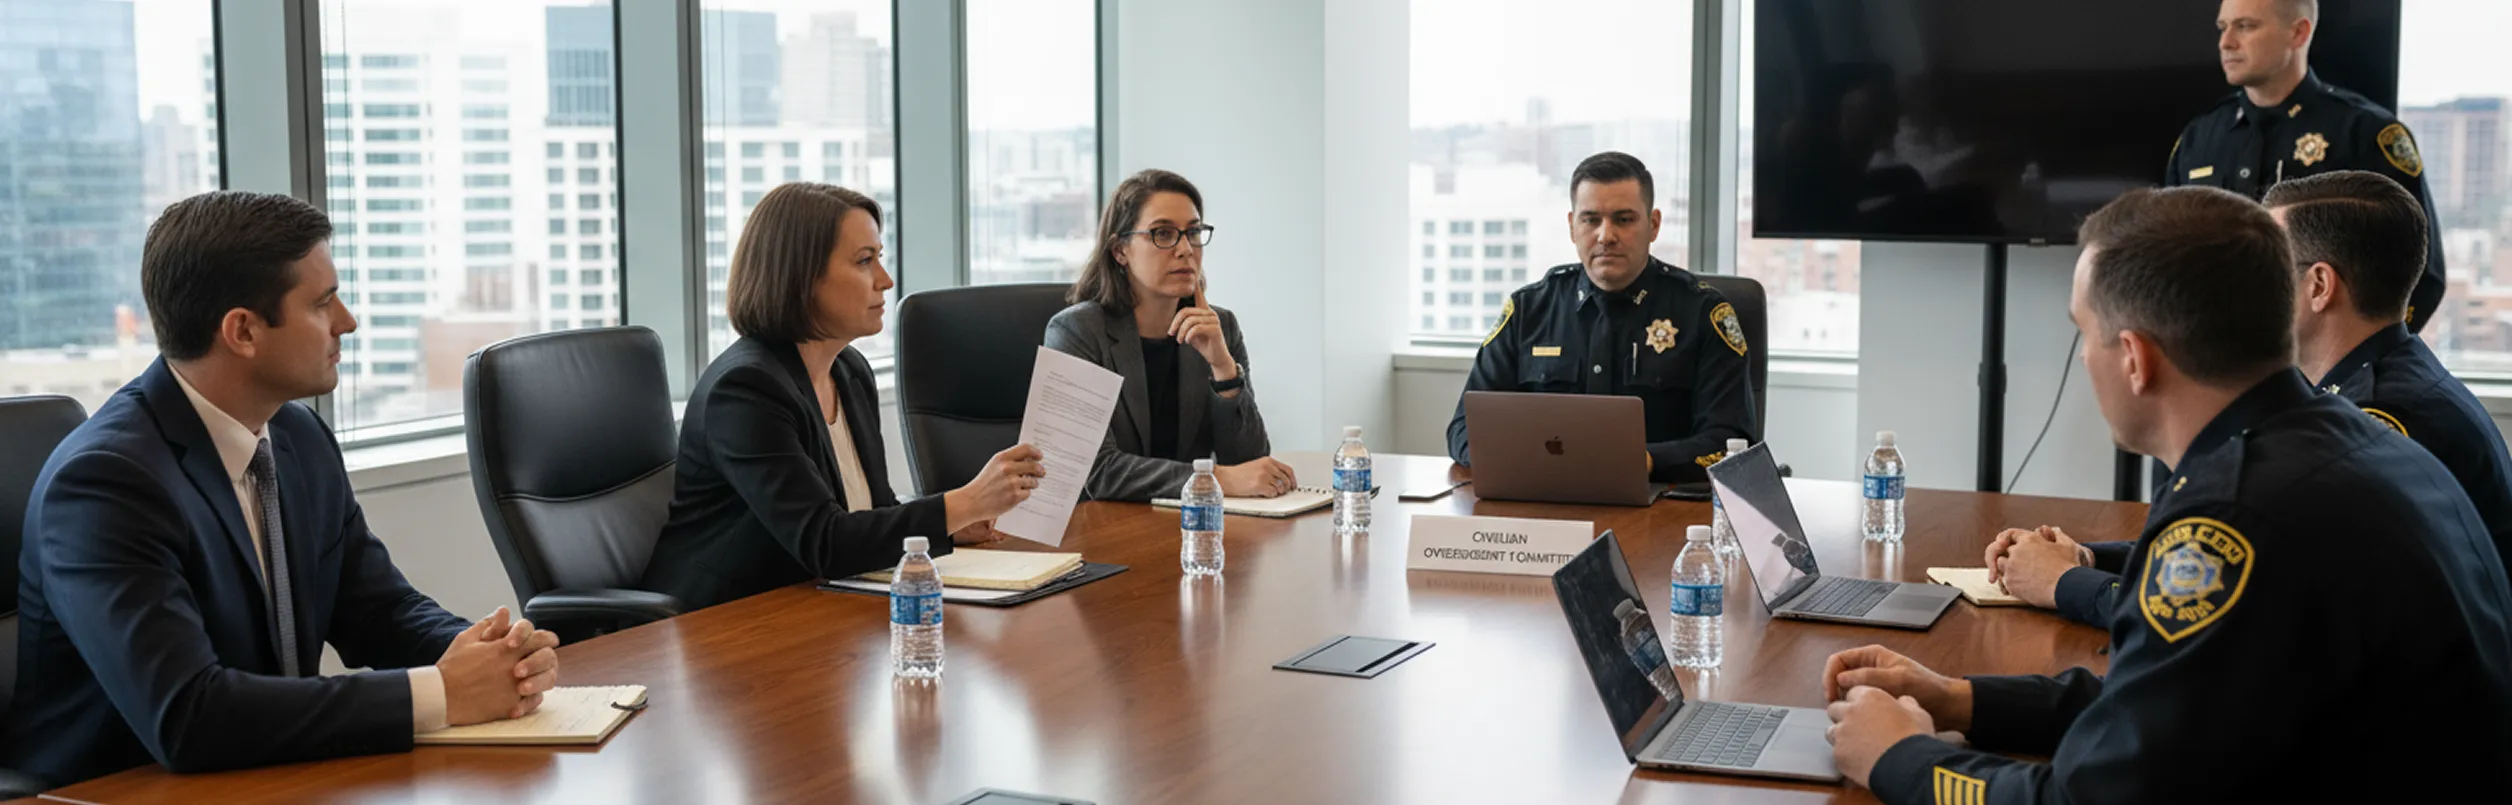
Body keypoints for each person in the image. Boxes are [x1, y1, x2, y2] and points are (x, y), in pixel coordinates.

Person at [1821, 186, 2512, 803]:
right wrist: (1961, 697)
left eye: (2082, 333)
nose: (2085, 356)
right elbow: (2178, 707)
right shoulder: (2349, 441)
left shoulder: (2231, 518)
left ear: (2134, 358)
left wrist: (1901, 756)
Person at [1, 192, 559, 788]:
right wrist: (442, 693)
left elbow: (376, 609)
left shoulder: (296, 436)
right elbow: (190, 716)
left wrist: (491, 655)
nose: (347, 321)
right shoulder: (104, 484)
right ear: (243, 331)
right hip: (116, 791)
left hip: (269, 773)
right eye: (322, 303)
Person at [1995, 170, 2512, 625]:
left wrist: (2064, 583)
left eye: (2267, 261)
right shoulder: (2374, 387)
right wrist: (2086, 558)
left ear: (2318, 286)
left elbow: (2228, 587)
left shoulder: (2379, 416)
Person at [642, 183, 1042, 610]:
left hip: (813, 605)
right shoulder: (744, 391)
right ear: (801, 277)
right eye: (864, 261)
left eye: (879, 258)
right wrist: (963, 502)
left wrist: (950, 527)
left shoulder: (849, 370)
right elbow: (824, 542)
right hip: (718, 624)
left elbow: (873, 509)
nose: (885, 281)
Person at [1445, 151, 1756, 482]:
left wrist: (1646, 461)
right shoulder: (1529, 311)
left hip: (1662, 506)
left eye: (1624, 219)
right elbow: (1463, 428)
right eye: (1591, 219)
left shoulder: (1702, 313)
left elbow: (1732, 443)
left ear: (1653, 225)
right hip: (1544, 500)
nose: (1606, 236)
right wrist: (1517, 460)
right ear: (1572, 226)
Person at [2167, 0, 2444, 331]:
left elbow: (2422, 271)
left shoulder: (2364, 134)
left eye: (2245, 26)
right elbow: (2167, 258)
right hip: (2217, 361)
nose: (2226, 42)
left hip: (2327, 368)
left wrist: (2364, 365)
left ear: (2298, 32)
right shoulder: (2199, 139)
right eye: (2223, 27)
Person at [1045, 169, 1292, 503]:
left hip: (1185, 527)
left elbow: (1248, 464)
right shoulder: (1077, 333)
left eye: (1193, 233)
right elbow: (1096, 472)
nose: (1185, 249)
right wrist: (1214, 480)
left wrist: (1223, 369)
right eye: (1163, 234)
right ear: (1120, 251)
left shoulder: (1221, 327)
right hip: (1099, 532)